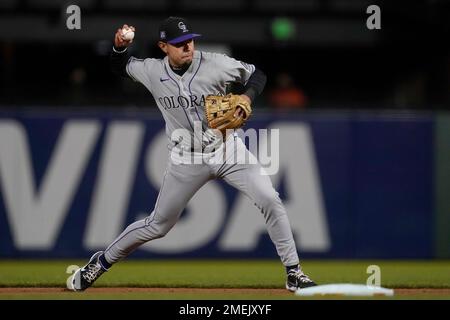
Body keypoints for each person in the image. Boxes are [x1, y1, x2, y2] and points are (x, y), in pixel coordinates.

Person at [69, 16, 316, 292]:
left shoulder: (216, 63)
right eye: (179, 43)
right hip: (185, 159)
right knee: (158, 225)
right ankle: (100, 262)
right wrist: (118, 47)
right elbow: (120, 66)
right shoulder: (152, 71)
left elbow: (257, 74)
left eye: (190, 40)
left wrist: (246, 97)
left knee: (270, 199)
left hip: (227, 149)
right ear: (164, 46)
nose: (187, 46)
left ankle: (294, 271)